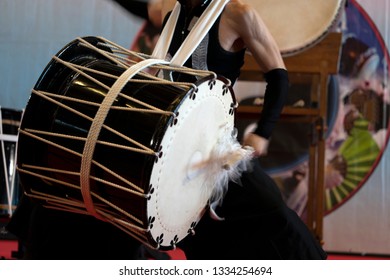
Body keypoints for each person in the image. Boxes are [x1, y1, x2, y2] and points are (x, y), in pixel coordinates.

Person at [7, 0, 327, 260]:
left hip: (207, 143)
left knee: (267, 207)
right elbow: (137, 5)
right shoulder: (167, 8)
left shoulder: (237, 13)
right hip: (159, 132)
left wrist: (264, 131)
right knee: (84, 168)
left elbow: (279, 75)